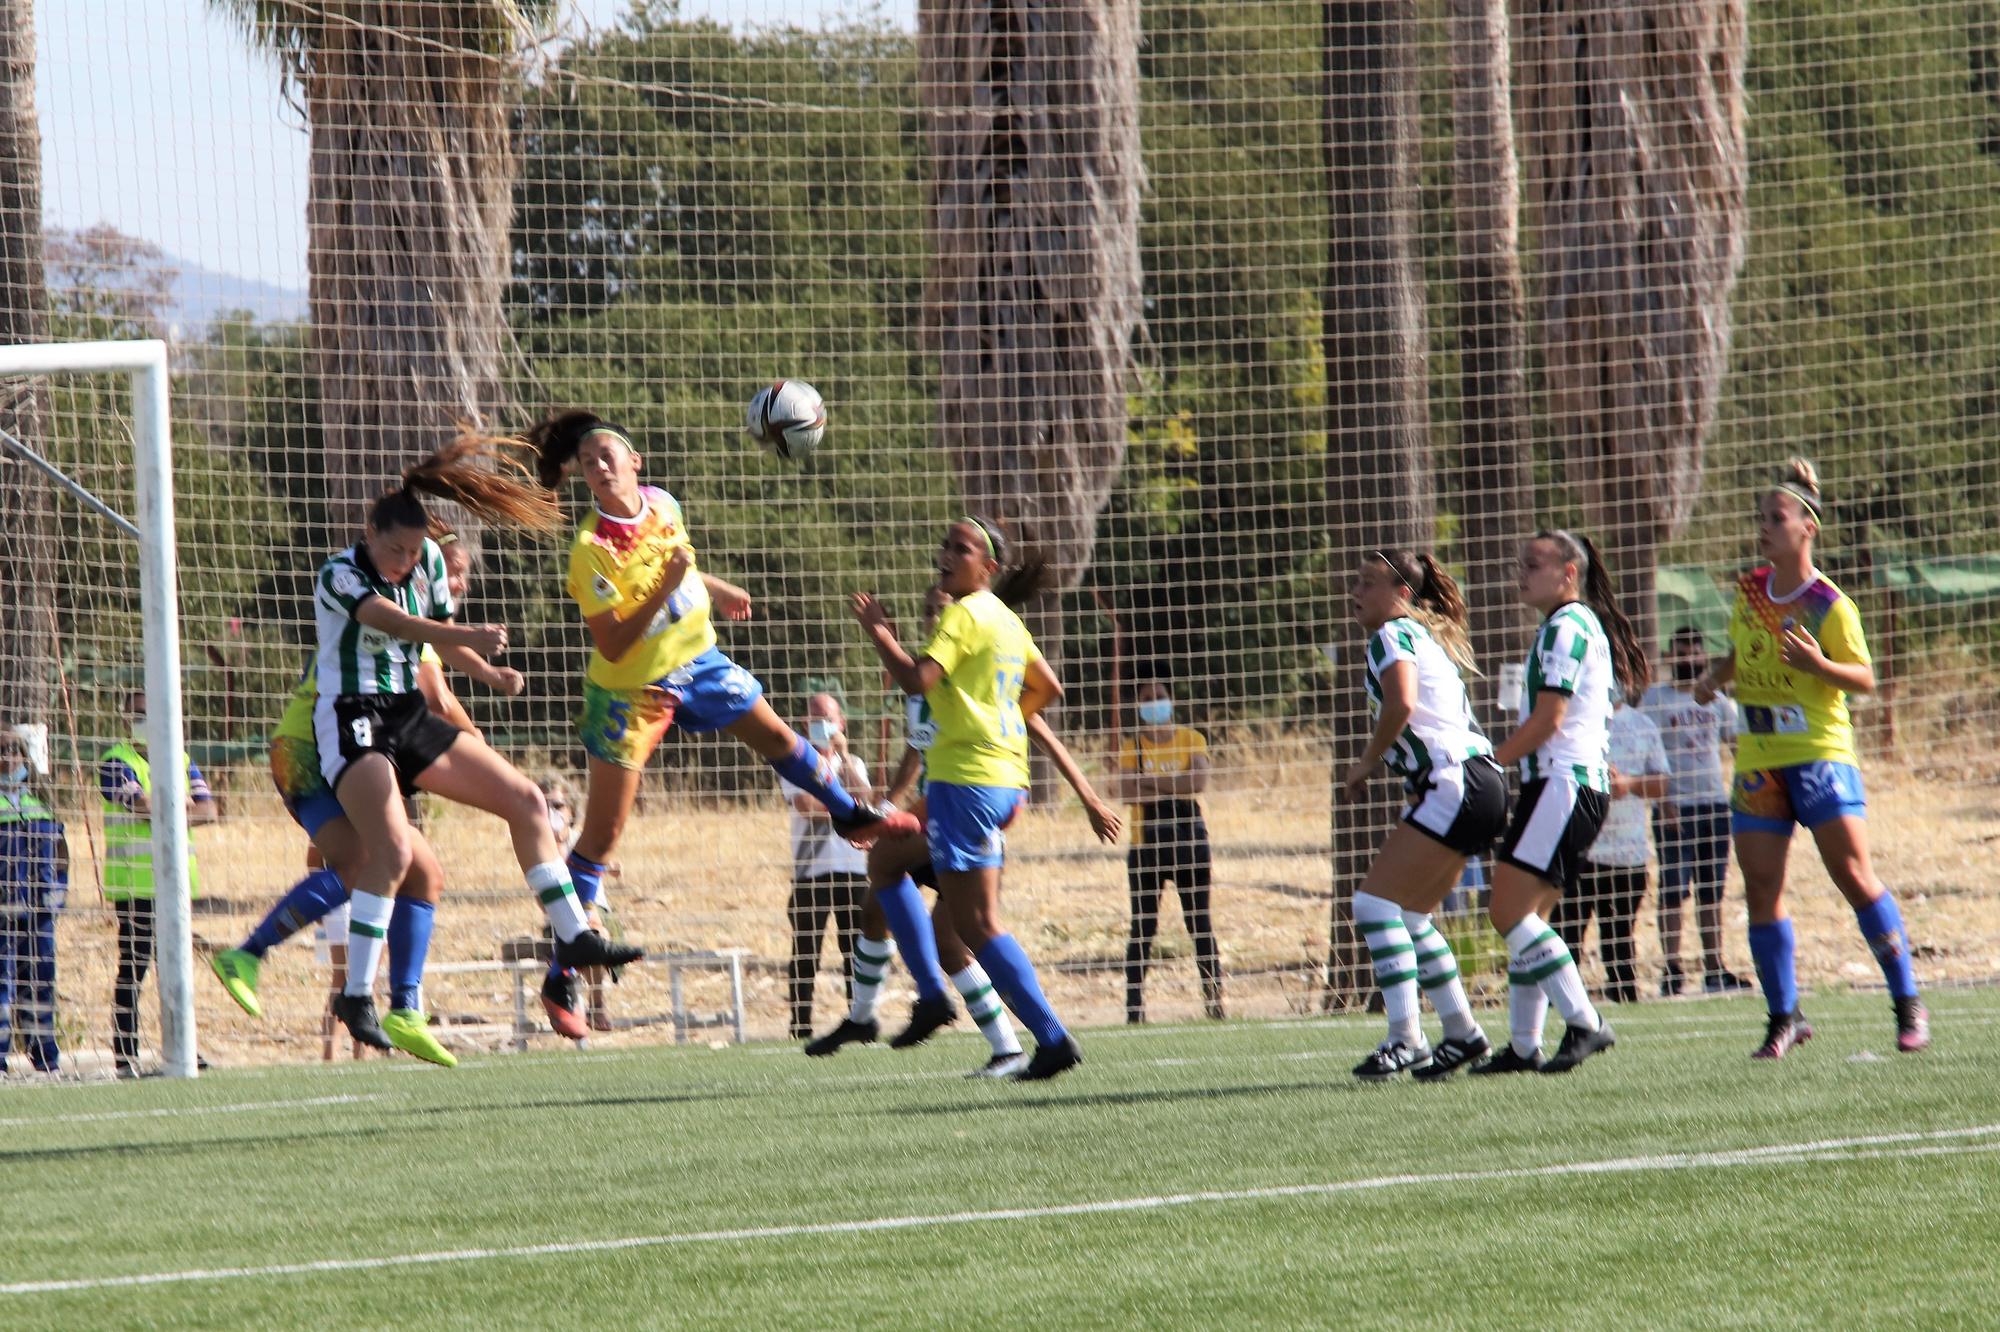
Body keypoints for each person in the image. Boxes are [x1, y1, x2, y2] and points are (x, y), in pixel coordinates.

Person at [525, 410, 915, 1038]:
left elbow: (677, 568)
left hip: (699, 661)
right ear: (582, 477)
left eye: (608, 454)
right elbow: (618, 642)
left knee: (782, 738)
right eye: (588, 460)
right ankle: (561, 974)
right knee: (602, 837)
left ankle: (849, 812)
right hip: (630, 691)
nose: (598, 465)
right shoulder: (590, 549)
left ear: (635, 464)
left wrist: (714, 586)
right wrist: (669, 586)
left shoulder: (664, 505)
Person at [308, 433, 643, 1061]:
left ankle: (572, 937)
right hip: (352, 717)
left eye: (412, 551)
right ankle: (356, 995)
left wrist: (487, 675)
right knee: (394, 847)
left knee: (525, 800)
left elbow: (437, 641)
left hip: (407, 714)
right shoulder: (341, 574)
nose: (403, 561)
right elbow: (399, 624)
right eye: (393, 550)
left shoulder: (430, 561)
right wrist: (468, 634)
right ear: (368, 532)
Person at [806, 585, 1120, 1076]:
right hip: (951, 806)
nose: (935, 615)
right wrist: (889, 807)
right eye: (929, 609)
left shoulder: (973, 672)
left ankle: (997, 1029)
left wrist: (1089, 797)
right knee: (886, 901)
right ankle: (874, 1015)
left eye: (941, 608)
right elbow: (915, 753)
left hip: (968, 800)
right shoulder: (942, 682)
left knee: (964, 927)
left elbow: (1040, 725)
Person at [211, 521, 493, 1062]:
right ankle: (250, 955)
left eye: (459, 576)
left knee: (421, 871)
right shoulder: (402, 618)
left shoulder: (401, 610)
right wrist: (476, 746)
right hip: (307, 753)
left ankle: (405, 1008)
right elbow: (434, 697)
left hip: (345, 749)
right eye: (450, 572)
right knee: (365, 864)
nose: (454, 584)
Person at [1694, 458, 1929, 1057]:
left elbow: (1865, 679)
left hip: (1821, 756)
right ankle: (1784, 1017)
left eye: (1777, 518)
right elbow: (1744, 654)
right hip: (1759, 759)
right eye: (1761, 518)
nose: (1764, 527)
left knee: (1853, 877)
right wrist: (1713, 678)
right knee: (1760, 888)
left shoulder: (1829, 603)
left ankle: (1907, 1001)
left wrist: (1820, 667)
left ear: (1807, 528)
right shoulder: (1749, 589)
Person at [851, 516, 1088, 1080]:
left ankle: (1050, 1039)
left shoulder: (963, 615)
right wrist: (1001, 721)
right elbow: (1047, 688)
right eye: (946, 544)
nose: (947, 553)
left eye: (963, 547)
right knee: (886, 860)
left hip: (967, 783)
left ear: (989, 567)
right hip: (1000, 780)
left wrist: (880, 631)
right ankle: (935, 995)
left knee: (976, 924)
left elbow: (918, 680)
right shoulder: (1005, 619)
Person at [1475, 530, 1648, 1076]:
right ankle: (1525, 1046)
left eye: (1533, 563)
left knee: (1507, 912)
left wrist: (1490, 760)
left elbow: (1549, 719)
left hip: (1562, 783)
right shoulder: (1571, 626)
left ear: (1569, 572)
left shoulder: (1566, 628)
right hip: (1571, 786)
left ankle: (1586, 1022)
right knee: (1533, 917)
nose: (1519, 572)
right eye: (1519, 563)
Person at [1337, 549, 1505, 1081]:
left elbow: (1402, 704)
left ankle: (1406, 1037)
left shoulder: (1391, 635)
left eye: (1369, 582)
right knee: (1411, 916)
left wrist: (1365, 763)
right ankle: (1462, 1032)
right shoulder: (1419, 635)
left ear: (1402, 594)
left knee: (1372, 904)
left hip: (1454, 781)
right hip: (1481, 782)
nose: (1356, 591)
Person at [99, 688, 218, 1078]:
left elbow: (209, 810)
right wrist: (180, 804)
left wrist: (168, 806)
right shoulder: (115, 761)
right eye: (135, 715)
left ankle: (183, 1047)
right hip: (135, 886)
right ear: (124, 720)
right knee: (134, 969)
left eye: (148, 714)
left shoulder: (181, 759)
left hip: (177, 886)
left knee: (177, 968)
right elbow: (141, 807)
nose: (142, 722)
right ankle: (125, 1055)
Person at [1643, 625, 1750, 996]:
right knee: (1673, 889)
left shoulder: (1718, 699)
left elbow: (1737, 747)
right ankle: (1672, 970)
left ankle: (1714, 967)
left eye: (1695, 651)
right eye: (1682, 651)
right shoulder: (1655, 700)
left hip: (1714, 806)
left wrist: (1743, 794)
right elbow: (1647, 756)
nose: (1689, 658)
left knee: (1711, 891)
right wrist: (1663, 803)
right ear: (1671, 656)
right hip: (1675, 808)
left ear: (1704, 656)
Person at [1111, 675, 1222, 1024]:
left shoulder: (1193, 739)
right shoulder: (1132, 746)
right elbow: (1128, 794)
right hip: (1146, 847)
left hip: (1190, 845)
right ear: (1139, 706)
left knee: (1199, 923)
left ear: (1171, 700)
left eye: (1159, 696)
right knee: (1143, 927)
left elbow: (1198, 783)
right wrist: (1174, 785)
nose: (1154, 702)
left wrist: (1150, 781)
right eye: (1147, 698)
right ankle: (1134, 1009)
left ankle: (1214, 1001)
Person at [1548, 695, 1668, 1006]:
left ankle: (1626, 1004)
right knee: (1565, 939)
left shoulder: (1642, 724)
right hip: (1577, 851)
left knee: (1618, 944)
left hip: (1627, 857)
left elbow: (1661, 784)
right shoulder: (1571, 722)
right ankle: (1558, 1008)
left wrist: (1628, 784)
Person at [780, 693, 872, 1039]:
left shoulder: (854, 764)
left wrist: (844, 756)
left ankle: (859, 1020)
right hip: (811, 872)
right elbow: (806, 805)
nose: (820, 724)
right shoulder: (795, 762)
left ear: (841, 723)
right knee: (806, 951)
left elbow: (866, 796)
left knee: (856, 951)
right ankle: (800, 1025)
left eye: (827, 717)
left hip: (853, 869)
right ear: (805, 724)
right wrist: (850, 811)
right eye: (814, 717)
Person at [0, 727, 65, 1076]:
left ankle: (46, 1058)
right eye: (3, 752)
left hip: (38, 913)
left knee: (40, 983)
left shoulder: (41, 802)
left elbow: (61, 853)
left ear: (26, 757)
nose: (8, 759)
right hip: (4, 912)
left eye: (14, 751)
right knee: (2, 986)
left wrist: (57, 895)